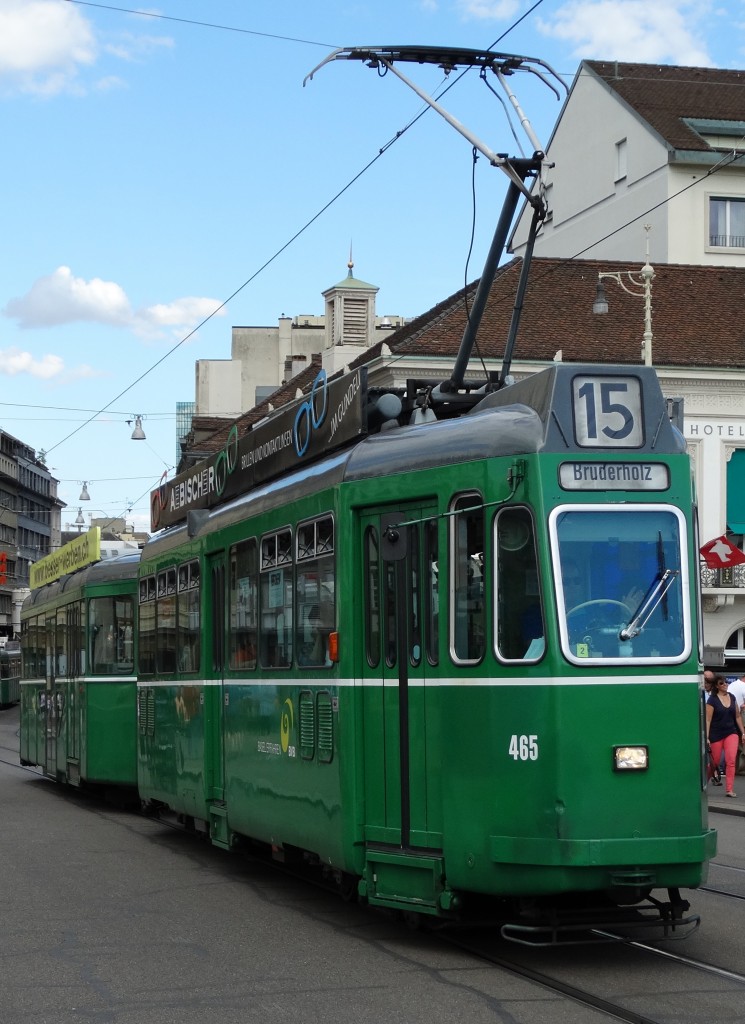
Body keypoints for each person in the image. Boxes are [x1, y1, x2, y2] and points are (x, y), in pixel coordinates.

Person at [706, 676, 745, 797]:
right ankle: (703, 783)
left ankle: (729, 789)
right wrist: (707, 737)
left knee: (731, 761)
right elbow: (708, 720)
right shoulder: (712, 700)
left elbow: (738, 716)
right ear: (716, 686)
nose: (725, 684)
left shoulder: (732, 697)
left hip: (731, 732)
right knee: (715, 762)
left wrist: (743, 732)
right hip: (716, 734)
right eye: (721, 683)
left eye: (726, 682)